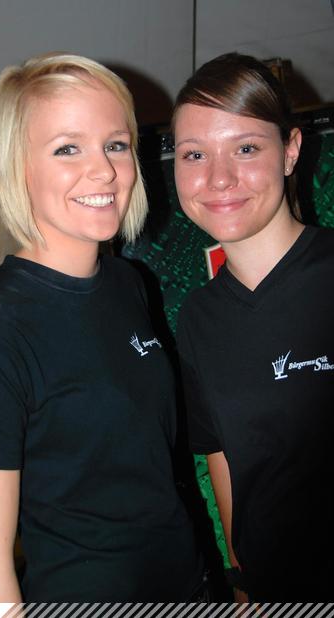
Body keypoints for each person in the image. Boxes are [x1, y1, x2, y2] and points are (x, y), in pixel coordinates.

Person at [0, 52, 204, 602]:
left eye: (116, 144)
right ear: (18, 168)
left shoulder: (128, 283)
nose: (104, 169)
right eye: (67, 148)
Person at [173, 52, 334, 602]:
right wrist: (243, 581)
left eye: (245, 148)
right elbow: (222, 455)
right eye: (195, 154)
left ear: (290, 150)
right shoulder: (197, 318)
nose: (218, 178)